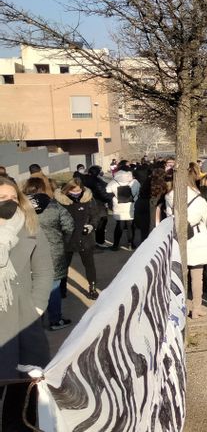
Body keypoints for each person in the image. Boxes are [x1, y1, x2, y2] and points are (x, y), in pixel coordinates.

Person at [0, 176, 52, 430]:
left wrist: (38, 307)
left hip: (24, 320)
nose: (9, 203)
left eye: (12, 198)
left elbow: (43, 270)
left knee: (25, 386)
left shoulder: (29, 224)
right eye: (2, 199)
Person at [24, 178, 75, 331]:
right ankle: (55, 320)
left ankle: (34, 323)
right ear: (42, 188)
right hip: (52, 253)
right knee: (53, 288)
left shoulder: (19, 208)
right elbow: (69, 226)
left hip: (27, 254)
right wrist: (62, 241)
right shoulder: (53, 205)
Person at [165, 171, 207, 318]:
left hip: (178, 238)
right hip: (198, 237)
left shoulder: (169, 196)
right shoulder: (199, 198)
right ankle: (197, 307)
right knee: (197, 276)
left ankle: (180, 306)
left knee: (179, 275)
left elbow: (169, 217)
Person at [55, 178, 104, 300]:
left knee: (89, 264)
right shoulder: (59, 201)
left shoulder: (88, 199)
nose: (77, 193)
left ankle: (92, 288)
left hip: (85, 237)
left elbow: (95, 216)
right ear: (67, 190)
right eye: (74, 191)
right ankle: (62, 288)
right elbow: (55, 220)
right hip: (66, 238)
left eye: (79, 190)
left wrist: (91, 225)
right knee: (63, 266)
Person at [106, 165, 140, 251]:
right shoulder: (134, 181)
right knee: (130, 226)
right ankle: (131, 245)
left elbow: (107, 191)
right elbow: (139, 191)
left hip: (119, 207)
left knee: (119, 226)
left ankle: (115, 245)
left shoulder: (113, 182)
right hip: (131, 206)